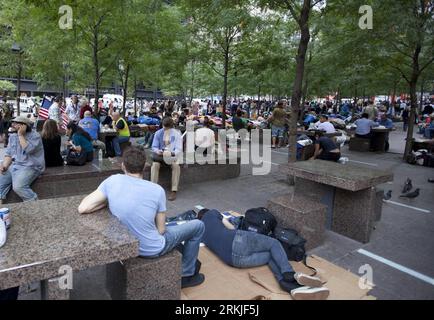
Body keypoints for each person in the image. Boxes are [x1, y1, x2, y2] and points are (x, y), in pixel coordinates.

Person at [78, 147, 205, 288]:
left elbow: (83, 208)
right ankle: (186, 273)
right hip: (151, 249)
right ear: (145, 166)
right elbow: (161, 230)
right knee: (198, 226)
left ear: (123, 166)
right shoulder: (157, 190)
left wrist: (108, 202)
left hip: (124, 245)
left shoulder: (112, 181)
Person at [200, 210, 330, 299]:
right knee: (274, 244)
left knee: (269, 255)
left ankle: (289, 286)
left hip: (234, 261)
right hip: (236, 240)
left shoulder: (201, 233)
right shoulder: (211, 213)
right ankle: (289, 273)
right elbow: (230, 227)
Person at [0, 116, 45, 203]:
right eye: (13, 123)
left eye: (16, 123)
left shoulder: (35, 136)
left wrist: (20, 135)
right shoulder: (13, 136)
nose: (12, 125)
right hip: (16, 165)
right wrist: (4, 166)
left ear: (24, 126)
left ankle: (35, 203)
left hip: (31, 166)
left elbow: (28, 149)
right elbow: (9, 154)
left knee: (19, 186)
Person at [151, 117, 182, 201]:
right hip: (160, 157)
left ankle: (174, 190)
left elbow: (178, 149)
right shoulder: (158, 133)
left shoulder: (176, 134)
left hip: (171, 156)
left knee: (176, 166)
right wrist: (158, 151)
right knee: (155, 165)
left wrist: (172, 153)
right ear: (162, 126)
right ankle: (153, 189)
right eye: (165, 129)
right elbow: (154, 147)